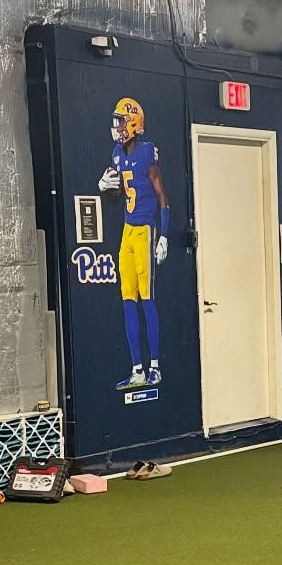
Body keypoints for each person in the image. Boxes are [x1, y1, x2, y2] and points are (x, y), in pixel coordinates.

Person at [100, 96, 169, 392]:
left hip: (144, 231)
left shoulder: (146, 155)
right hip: (127, 232)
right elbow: (118, 197)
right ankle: (136, 369)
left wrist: (163, 234)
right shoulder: (117, 153)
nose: (116, 126)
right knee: (128, 300)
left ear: (133, 123)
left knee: (147, 300)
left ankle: (154, 367)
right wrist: (105, 189)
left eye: (120, 120)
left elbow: (163, 198)